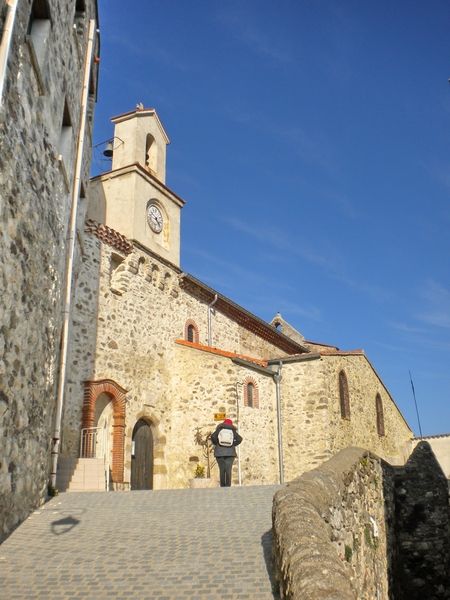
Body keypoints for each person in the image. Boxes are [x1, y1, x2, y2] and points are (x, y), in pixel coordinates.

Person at [210, 418, 242, 487]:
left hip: (219, 452)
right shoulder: (232, 431)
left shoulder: (219, 430)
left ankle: (222, 486)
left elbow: (212, 436)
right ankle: (228, 486)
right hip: (230, 453)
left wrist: (217, 443)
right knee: (228, 470)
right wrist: (233, 444)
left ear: (223, 423)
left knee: (222, 470)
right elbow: (240, 439)